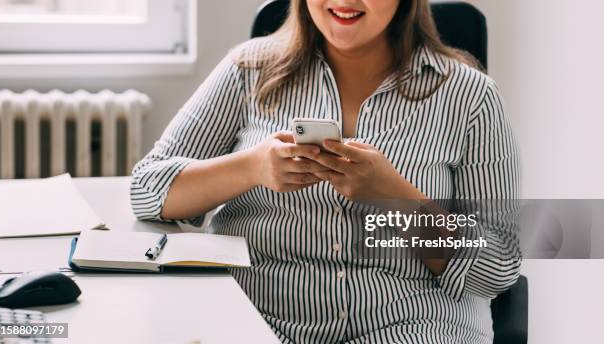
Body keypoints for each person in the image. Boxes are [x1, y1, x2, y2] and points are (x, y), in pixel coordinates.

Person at [131, 0, 521, 343]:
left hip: (414, 323)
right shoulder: (248, 70)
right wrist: (251, 167)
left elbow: (499, 266)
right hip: (256, 317)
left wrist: (393, 196)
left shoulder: (472, 98)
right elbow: (147, 190)